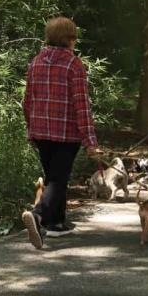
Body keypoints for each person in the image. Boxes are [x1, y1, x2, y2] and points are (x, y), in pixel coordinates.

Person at [21, 16, 101, 249]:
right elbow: (81, 105)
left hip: (40, 130)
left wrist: (30, 129)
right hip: (66, 133)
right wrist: (90, 141)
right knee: (58, 179)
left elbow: (27, 100)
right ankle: (37, 215)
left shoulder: (36, 62)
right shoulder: (73, 64)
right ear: (70, 39)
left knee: (52, 176)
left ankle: (56, 223)